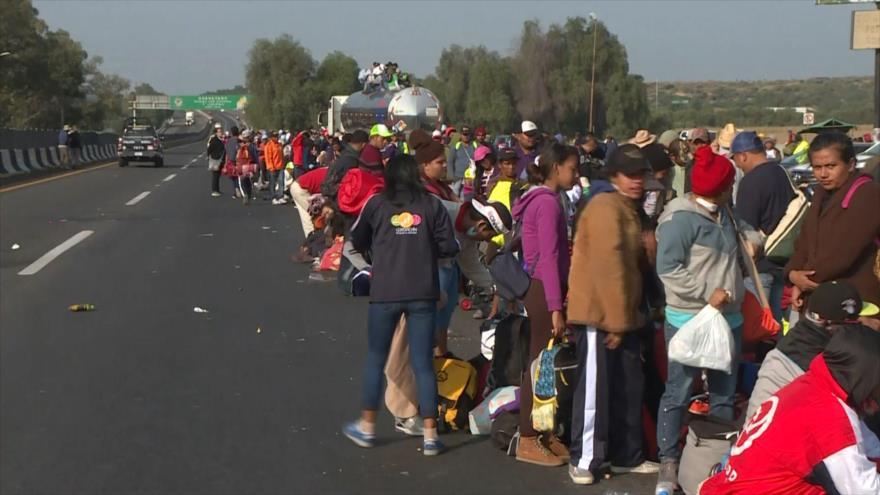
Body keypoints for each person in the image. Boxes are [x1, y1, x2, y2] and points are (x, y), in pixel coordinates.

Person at [654, 145, 762, 495]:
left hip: (728, 320)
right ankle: (668, 462)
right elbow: (668, 269)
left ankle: (720, 457)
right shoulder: (678, 219)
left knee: (724, 394)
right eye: (730, 184)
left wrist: (753, 241)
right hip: (689, 321)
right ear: (720, 187)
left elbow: (750, 235)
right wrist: (707, 294)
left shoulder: (725, 212)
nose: (733, 189)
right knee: (678, 391)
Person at [342, 154, 459, 456]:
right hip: (423, 292)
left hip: (385, 291)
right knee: (422, 363)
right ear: (417, 175)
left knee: (375, 358)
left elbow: (356, 239)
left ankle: (367, 428)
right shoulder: (432, 205)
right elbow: (449, 246)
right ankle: (431, 435)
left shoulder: (376, 204)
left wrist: (382, 250)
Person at [567, 144, 659, 485]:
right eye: (630, 175)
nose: (637, 181)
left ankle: (627, 454)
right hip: (598, 315)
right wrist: (618, 323)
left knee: (627, 387)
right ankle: (585, 458)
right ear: (614, 176)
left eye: (641, 175)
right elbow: (610, 269)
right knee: (594, 390)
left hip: (624, 313)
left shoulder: (626, 206)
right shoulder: (606, 207)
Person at [699, 326, 880, 495]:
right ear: (862, 376)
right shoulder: (831, 418)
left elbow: (868, 444)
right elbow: (865, 490)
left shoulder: (814, 385)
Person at [509, 142, 577, 467]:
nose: (576, 175)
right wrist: (555, 305)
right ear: (556, 168)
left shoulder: (541, 200)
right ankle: (526, 437)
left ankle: (544, 433)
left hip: (539, 286)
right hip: (542, 289)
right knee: (539, 367)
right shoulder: (548, 204)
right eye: (572, 168)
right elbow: (549, 258)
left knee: (545, 366)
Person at [746, 280, 880, 419]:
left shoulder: (803, 335)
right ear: (828, 324)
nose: (860, 326)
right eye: (855, 322)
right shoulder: (815, 362)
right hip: (780, 435)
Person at [785, 132, 880, 318]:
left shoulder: (868, 194)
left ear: (851, 164)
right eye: (816, 167)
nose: (823, 174)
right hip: (820, 297)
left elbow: (842, 252)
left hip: (855, 301)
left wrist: (805, 281)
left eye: (831, 166)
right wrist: (793, 274)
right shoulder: (821, 193)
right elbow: (804, 241)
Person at [731, 131, 796, 324]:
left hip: (759, 269)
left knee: (758, 327)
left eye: (736, 159)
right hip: (782, 261)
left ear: (743, 155)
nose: (737, 164)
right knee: (775, 325)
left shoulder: (750, 182)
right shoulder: (781, 172)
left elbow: (746, 229)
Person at [409, 129, 460, 357]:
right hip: (432, 264)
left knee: (444, 317)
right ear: (425, 166)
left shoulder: (443, 187)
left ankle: (442, 358)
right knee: (430, 317)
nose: (444, 166)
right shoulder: (423, 191)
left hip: (449, 261)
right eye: (439, 162)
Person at [448, 125, 477, 196]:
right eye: (464, 134)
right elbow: (450, 162)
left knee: (465, 196)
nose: (466, 136)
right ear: (461, 135)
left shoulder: (474, 146)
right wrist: (452, 176)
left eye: (468, 134)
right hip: (458, 177)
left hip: (470, 178)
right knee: (455, 195)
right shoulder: (456, 147)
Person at [264, 131, 286, 205]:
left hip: (280, 166)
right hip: (272, 167)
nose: (276, 137)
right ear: (271, 137)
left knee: (281, 182)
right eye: (274, 136)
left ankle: (280, 196)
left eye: (277, 136)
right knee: (272, 183)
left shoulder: (279, 145)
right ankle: (273, 197)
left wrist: (283, 164)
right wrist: (271, 168)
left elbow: (282, 155)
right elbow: (268, 158)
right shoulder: (269, 145)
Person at [207, 126, 226, 197]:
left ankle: (217, 190)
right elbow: (209, 149)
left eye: (221, 131)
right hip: (215, 159)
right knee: (215, 175)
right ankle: (214, 190)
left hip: (219, 160)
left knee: (217, 176)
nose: (221, 133)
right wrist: (209, 156)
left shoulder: (221, 140)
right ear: (216, 133)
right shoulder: (214, 140)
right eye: (219, 132)